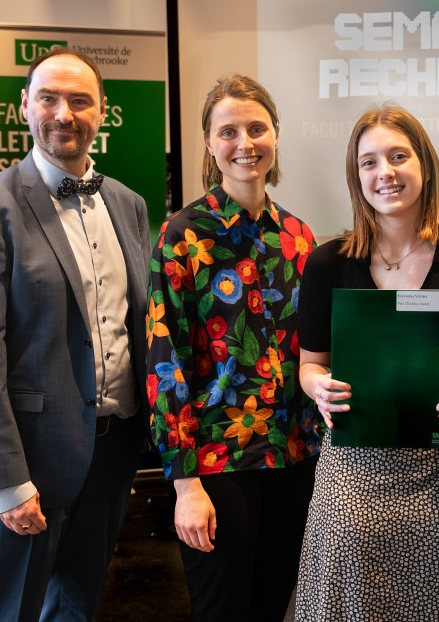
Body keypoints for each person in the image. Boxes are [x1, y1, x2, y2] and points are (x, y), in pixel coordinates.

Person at [0, 46, 151, 621]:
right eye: (50, 98)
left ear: (101, 112)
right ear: (26, 106)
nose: (65, 113)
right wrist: (8, 480)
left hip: (110, 454)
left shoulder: (129, 206)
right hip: (26, 458)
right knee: (3, 611)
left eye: (80, 100)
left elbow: (136, 327)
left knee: (76, 609)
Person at [294, 105, 439, 620]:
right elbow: (310, 364)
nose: (384, 172)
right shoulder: (327, 263)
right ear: (355, 175)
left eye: (398, 156)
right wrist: (318, 386)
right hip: (352, 475)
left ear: (424, 164)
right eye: (368, 162)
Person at [146, 74, 320, 620]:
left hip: (293, 457)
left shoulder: (298, 236)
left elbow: (314, 350)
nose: (245, 142)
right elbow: (163, 362)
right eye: (228, 131)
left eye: (256, 128)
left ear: (275, 136)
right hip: (216, 461)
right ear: (209, 143)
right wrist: (185, 483)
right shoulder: (182, 234)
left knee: (272, 607)